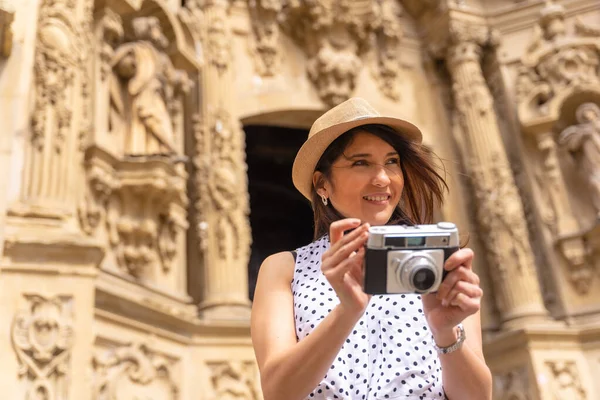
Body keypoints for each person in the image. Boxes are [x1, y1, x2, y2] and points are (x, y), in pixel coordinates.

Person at [251, 98, 492, 400]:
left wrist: (446, 333)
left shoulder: (439, 261)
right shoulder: (285, 268)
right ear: (322, 184)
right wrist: (347, 310)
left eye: (391, 162)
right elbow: (278, 392)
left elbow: (477, 397)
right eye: (360, 163)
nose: (382, 179)